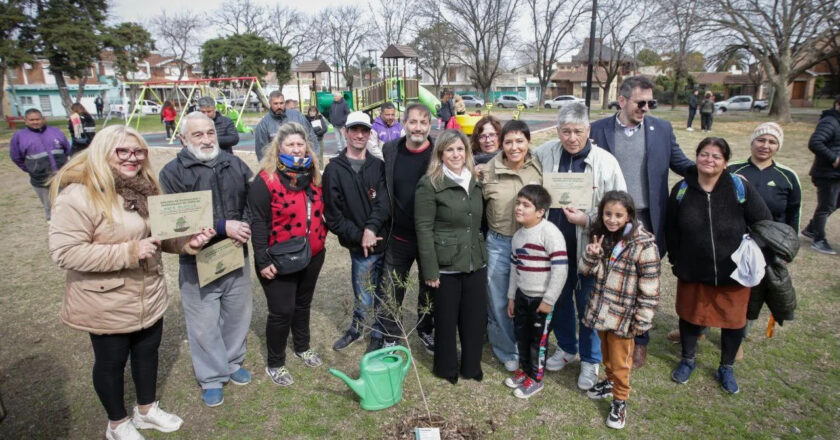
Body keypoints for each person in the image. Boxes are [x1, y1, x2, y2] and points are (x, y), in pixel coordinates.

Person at [48, 125, 215, 440]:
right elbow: (65, 253)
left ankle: (147, 411)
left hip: (148, 293)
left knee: (147, 352)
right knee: (111, 362)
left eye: (138, 151)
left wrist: (188, 244)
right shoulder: (80, 194)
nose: (132, 158)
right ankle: (117, 424)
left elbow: (160, 236)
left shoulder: (146, 187)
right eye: (122, 151)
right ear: (102, 152)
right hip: (105, 300)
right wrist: (128, 251)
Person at [589, 75, 693, 368]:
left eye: (651, 102)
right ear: (622, 100)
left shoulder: (661, 128)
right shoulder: (598, 129)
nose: (646, 107)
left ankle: (640, 342)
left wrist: (711, 171)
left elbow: (681, 163)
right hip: (609, 218)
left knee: (643, 283)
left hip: (647, 218)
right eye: (640, 102)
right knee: (607, 278)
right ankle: (604, 335)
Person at [158, 112, 254, 408]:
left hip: (236, 253)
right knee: (203, 322)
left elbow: (253, 200)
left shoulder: (234, 162)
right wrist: (224, 225)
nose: (206, 139)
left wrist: (245, 226)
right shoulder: (171, 173)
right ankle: (212, 377)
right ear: (183, 139)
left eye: (210, 132)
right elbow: (176, 221)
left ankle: (233, 360)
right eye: (197, 135)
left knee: (237, 313)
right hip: (197, 260)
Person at [534, 102, 627, 391]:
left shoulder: (606, 162)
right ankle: (566, 347)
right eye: (565, 131)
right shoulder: (545, 152)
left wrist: (587, 219)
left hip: (590, 249)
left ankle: (590, 360)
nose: (571, 138)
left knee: (589, 306)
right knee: (559, 300)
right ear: (558, 131)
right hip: (555, 249)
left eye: (577, 131)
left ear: (588, 130)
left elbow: (621, 208)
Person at [667, 137, 771, 395]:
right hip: (693, 269)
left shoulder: (739, 187)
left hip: (733, 271)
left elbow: (764, 221)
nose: (709, 160)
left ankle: (726, 367)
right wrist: (676, 258)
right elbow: (671, 227)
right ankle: (687, 359)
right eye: (704, 154)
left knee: (733, 322)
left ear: (725, 162)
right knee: (690, 316)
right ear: (697, 156)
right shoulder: (681, 189)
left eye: (716, 156)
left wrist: (752, 249)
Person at [248, 122, 327, 387]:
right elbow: (258, 222)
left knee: (303, 305)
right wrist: (262, 259)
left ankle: (302, 346)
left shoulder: (313, 174)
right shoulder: (266, 179)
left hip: (312, 253)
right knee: (282, 311)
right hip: (279, 258)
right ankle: (276, 362)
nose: (296, 149)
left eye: (300, 144)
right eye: (290, 144)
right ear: (279, 147)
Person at [579, 191, 660, 430]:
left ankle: (620, 400)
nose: (612, 219)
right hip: (601, 309)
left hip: (624, 316)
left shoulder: (643, 245)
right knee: (606, 353)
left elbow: (650, 287)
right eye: (607, 214)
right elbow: (586, 271)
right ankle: (609, 382)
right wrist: (591, 256)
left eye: (618, 215)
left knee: (620, 360)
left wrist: (643, 319)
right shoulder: (603, 237)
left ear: (629, 216)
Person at [415, 129, 486, 384]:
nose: (456, 154)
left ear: (466, 152)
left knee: (474, 319)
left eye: (460, 149)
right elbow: (423, 228)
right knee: (445, 320)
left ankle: (471, 366)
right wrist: (430, 270)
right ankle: (446, 368)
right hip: (445, 264)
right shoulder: (430, 184)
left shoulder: (475, 181)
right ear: (441, 154)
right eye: (450, 150)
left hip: (475, 260)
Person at [322, 111, 390, 351]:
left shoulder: (379, 166)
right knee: (363, 293)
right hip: (359, 247)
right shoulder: (334, 170)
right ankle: (358, 328)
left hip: (384, 241)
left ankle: (379, 333)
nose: (359, 135)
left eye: (364, 130)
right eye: (354, 130)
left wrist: (371, 228)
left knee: (384, 291)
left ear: (370, 134)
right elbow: (333, 215)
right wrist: (360, 235)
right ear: (345, 132)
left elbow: (384, 203)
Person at [374, 103, 436, 354]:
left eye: (423, 122)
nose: (418, 127)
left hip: (429, 238)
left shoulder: (438, 153)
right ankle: (391, 334)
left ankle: (425, 329)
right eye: (412, 122)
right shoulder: (391, 150)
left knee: (429, 287)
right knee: (391, 288)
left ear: (429, 126)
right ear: (404, 124)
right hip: (398, 237)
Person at [482, 120, 543, 371]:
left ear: (528, 142)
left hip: (531, 242)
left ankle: (530, 345)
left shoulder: (540, 165)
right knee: (497, 300)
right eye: (508, 141)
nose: (514, 147)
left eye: (520, 141)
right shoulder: (487, 170)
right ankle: (507, 349)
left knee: (528, 298)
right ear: (501, 143)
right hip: (499, 243)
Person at [503, 185, 568, 398]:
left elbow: (560, 269)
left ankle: (536, 378)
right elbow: (515, 268)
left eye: (526, 205)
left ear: (540, 211)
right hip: (522, 296)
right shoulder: (518, 236)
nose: (519, 208)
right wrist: (512, 296)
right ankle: (524, 370)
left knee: (537, 341)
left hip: (541, 299)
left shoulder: (550, 233)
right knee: (521, 336)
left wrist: (549, 300)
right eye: (518, 203)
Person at [10, 108, 71, 221]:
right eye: (31, 120)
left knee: (68, 204)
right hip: (40, 179)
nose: (35, 122)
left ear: (43, 119)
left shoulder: (55, 131)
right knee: (50, 207)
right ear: (26, 121)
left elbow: (67, 150)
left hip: (62, 176)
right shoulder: (20, 136)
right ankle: (53, 228)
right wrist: (32, 168)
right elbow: (16, 157)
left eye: (37, 119)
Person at [801, 97, 840, 255]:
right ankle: (819, 239)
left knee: (835, 203)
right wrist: (834, 158)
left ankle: (812, 228)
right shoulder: (830, 121)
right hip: (827, 174)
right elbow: (815, 142)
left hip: (836, 174)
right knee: (826, 206)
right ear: (838, 105)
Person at [254, 91, 318, 162]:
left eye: (281, 103)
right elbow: (261, 151)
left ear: (284, 102)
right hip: (277, 166)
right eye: (275, 104)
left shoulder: (298, 116)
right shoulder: (264, 124)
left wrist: (312, 160)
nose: (279, 106)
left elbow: (311, 138)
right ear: (270, 104)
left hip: (300, 162)